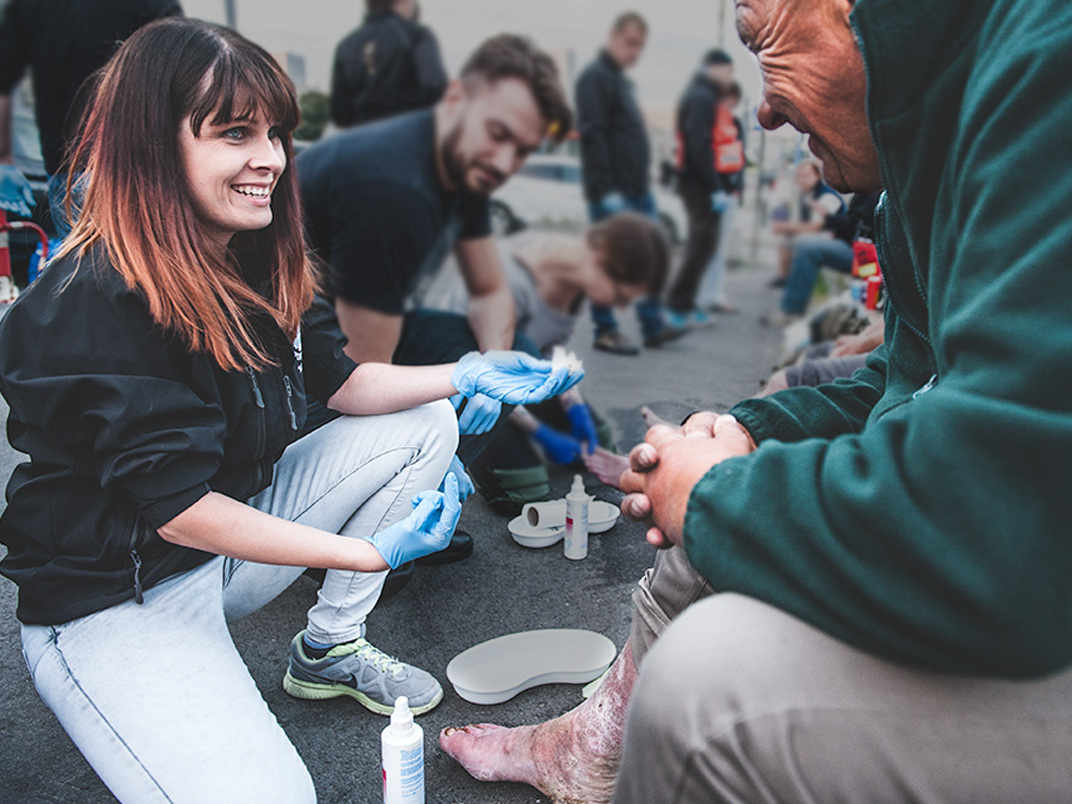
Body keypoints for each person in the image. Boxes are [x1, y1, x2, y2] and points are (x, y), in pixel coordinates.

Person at [438, 0, 1072, 801]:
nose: (763, 109)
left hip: (1034, 583)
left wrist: (708, 491)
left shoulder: (1048, 61)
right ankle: (591, 748)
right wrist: (747, 431)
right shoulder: (927, 139)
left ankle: (630, 750)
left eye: (760, 41)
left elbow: (999, 525)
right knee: (705, 537)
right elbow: (908, 380)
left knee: (703, 692)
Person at [0, 19, 582, 803]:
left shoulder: (252, 257)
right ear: (150, 143)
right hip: (119, 595)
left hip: (226, 546)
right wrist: (371, 554)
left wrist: (467, 371)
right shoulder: (87, 299)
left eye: (275, 133)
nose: (270, 158)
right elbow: (177, 509)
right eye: (236, 132)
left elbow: (342, 383)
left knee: (427, 422)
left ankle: (328, 649)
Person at [299, 33, 573, 519]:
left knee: (515, 358)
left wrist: (492, 365)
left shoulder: (461, 164)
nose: (506, 164)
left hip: (344, 341)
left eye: (522, 150)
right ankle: (345, 530)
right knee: (408, 413)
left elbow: (490, 290)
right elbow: (361, 380)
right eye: (499, 133)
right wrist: (432, 446)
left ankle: (406, 497)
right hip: (274, 373)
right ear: (454, 99)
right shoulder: (391, 186)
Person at [440, 212, 670, 510]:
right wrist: (543, 434)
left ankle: (549, 439)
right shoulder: (510, 279)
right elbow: (496, 377)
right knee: (523, 492)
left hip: (522, 372)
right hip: (478, 391)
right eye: (621, 294)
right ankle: (462, 457)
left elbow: (549, 352)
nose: (622, 306)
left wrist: (577, 414)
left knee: (598, 444)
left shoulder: (578, 275)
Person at [0, 0, 183, 239]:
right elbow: (180, 76)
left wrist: (4, 160)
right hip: (137, 168)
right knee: (144, 267)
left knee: (81, 265)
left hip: (67, 168)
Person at [576, 11, 676, 356]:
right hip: (613, 193)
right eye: (631, 43)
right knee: (607, 263)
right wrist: (605, 193)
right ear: (614, 37)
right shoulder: (596, 78)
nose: (635, 52)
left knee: (649, 256)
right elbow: (593, 136)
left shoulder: (620, 81)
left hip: (636, 189)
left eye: (640, 46)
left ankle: (653, 325)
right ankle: (605, 330)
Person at [664, 49, 738, 327]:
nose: (729, 79)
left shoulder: (701, 94)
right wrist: (714, 186)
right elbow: (698, 143)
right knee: (701, 243)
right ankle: (678, 305)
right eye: (728, 72)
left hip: (697, 181)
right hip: (698, 182)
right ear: (715, 68)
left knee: (703, 244)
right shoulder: (701, 97)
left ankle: (685, 302)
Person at [762, 189, 881, 326]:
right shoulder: (871, 186)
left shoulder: (875, 188)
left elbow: (856, 224)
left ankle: (792, 311)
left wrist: (828, 218)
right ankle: (793, 306)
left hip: (865, 255)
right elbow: (854, 224)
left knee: (808, 247)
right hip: (857, 246)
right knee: (805, 242)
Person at [329, 0, 447, 128]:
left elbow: (340, 114)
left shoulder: (345, 45)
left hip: (361, 140)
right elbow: (435, 88)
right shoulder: (416, 35)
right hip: (406, 137)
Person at [695, 80, 746, 315]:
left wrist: (738, 190)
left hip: (729, 193)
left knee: (719, 248)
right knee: (703, 246)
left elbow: (740, 160)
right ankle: (697, 296)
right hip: (710, 193)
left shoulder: (735, 124)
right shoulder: (707, 122)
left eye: (731, 99)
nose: (729, 103)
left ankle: (713, 295)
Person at [768, 158, 845, 289]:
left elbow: (816, 227)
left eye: (807, 176)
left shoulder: (827, 196)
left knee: (800, 239)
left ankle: (798, 282)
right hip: (818, 233)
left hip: (836, 238)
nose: (802, 180)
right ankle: (785, 278)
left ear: (817, 176)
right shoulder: (804, 195)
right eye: (800, 176)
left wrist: (785, 227)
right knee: (785, 239)